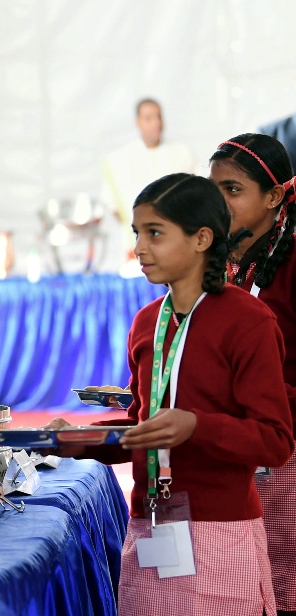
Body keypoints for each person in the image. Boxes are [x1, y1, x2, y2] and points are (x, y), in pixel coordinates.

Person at [50, 173, 293, 615]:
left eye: (155, 233)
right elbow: (143, 426)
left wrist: (197, 426)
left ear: (202, 239)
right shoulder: (147, 323)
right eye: (137, 233)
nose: (140, 248)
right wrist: (80, 441)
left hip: (223, 531)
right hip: (150, 528)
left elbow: (274, 440)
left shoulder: (249, 321)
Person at [209, 133, 296, 616]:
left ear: (274, 196)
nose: (218, 203)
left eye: (233, 190)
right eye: (213, 189)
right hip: (251, 449)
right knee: (257, 584)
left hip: (287, 451)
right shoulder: (232, 262)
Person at [100, 98, 195, 266]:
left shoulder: (181, 153)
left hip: (176, 248)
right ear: (138, 122)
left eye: (158, 117)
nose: (156, 123)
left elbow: (196, 195)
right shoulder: (121, 160)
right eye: (149, 118)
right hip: (136, 249)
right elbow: (112, 204)